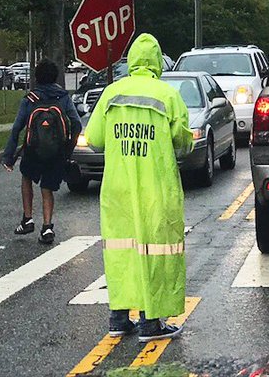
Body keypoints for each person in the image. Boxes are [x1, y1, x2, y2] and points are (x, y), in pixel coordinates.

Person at [85, 34, 193, 342]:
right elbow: (182, 142)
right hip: (156, 188)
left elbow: (94, 139)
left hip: (118, 189)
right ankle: (150, 323)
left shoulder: (111, 94)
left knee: (122, 253)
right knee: (155, 252)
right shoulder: (167, 95)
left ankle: (118, 319)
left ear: (131, 61)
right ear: (157, 61)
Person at [2, 59, 81, 244]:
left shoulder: (30, 99)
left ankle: (28, 218)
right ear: (55, 77)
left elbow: (17, 128)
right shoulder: (63, 97)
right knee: (47, 188)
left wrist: (9, 156)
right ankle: (47, 227)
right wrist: (68, 148)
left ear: (37, 77)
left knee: (27, 178)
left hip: (33, 150)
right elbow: (76, 123)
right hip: (56, 152)